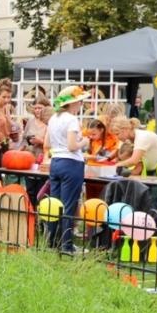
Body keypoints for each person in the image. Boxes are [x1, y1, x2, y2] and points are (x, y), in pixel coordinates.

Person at [46, 86, 87, 253]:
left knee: (54, 205)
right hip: (71, 164)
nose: (81, 104)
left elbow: (47, 143)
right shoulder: (71, 119)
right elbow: (72, 146)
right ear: (73, 103)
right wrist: (84, 142)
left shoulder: (53, 118)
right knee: (68, 205)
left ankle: (52, 241)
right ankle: (67, 245)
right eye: (80, 101)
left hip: (55, 161)